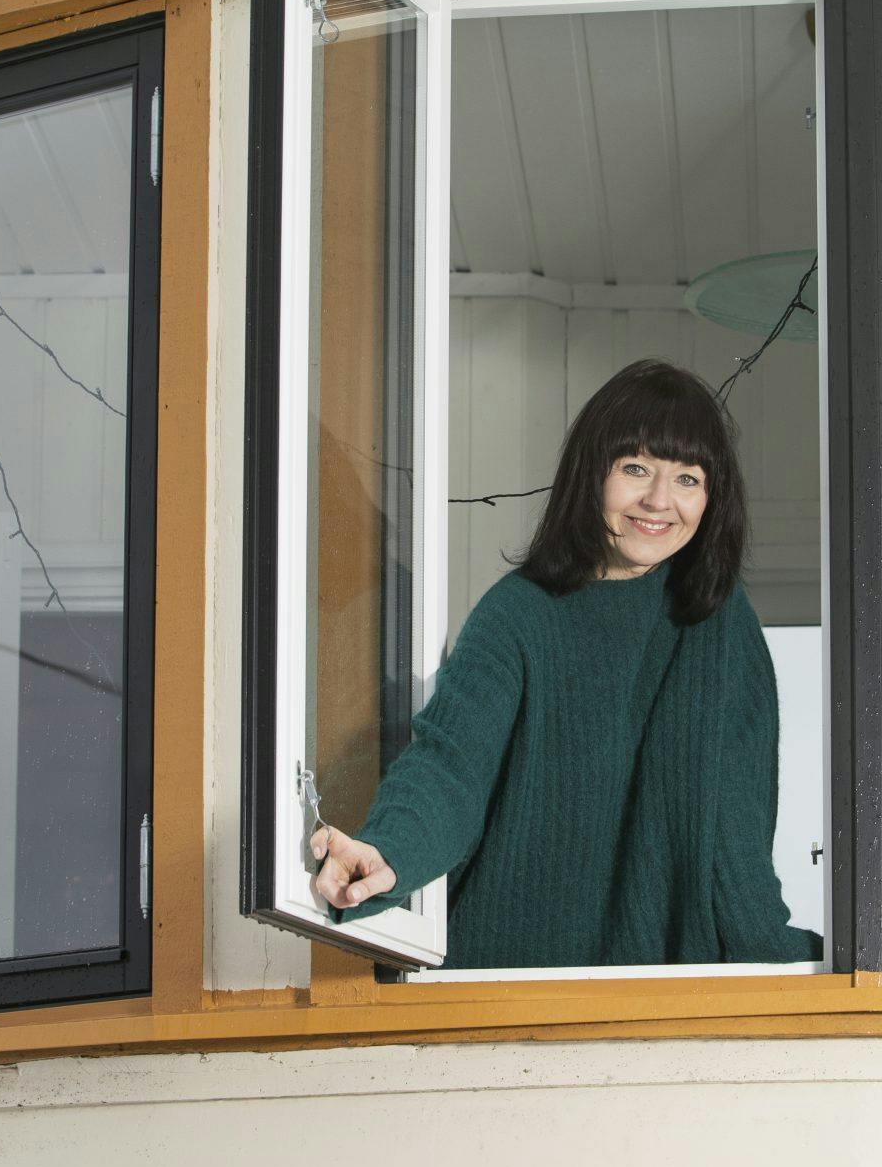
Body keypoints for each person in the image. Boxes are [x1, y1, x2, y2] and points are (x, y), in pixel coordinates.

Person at [307, 358, 821, 969]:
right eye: (635, 468)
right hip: (508, 981)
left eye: (688, 478)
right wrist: (389, 853)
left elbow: (737, 831)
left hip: (673, 986)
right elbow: (451, 765)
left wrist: (787, 959)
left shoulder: (719, 620)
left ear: (712, 498)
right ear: (591, 472)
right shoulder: (519, 613)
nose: (659, 501)